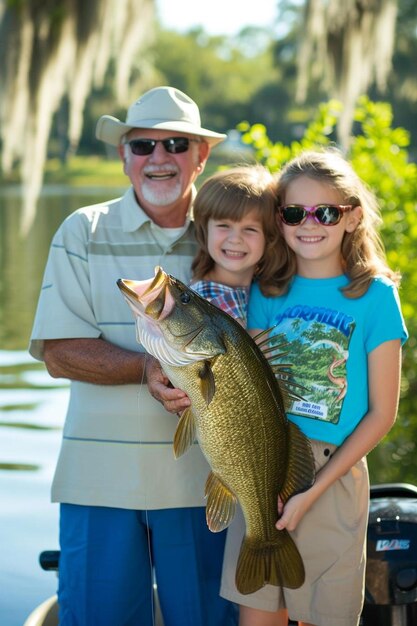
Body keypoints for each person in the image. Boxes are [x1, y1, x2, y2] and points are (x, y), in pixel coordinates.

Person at [29, 86, 239, 626]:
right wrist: (146, 368)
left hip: (204, 483)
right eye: (142, 145)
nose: (158, 158)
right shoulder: (82, 230)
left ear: (201, 155)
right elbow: (57, 353)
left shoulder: (231, 237)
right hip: (98, 482)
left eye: (175, 143)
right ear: (123, 156)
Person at [219, 148, 408, 626]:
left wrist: (315, 491)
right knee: (260, 615)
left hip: (334, 479)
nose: (309, 223)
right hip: (265, 470)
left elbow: (382, 414)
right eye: (293, 212)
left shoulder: (377, 297)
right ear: (279, 220)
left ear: (352, 217)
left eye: (325, 212)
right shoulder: (265, 290)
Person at [189, 165, 279, 326]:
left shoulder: (263, 291)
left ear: (269, 236)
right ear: (205, 229)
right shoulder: (208, 303)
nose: (235, 239)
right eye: (224, 226)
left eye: (250, 229)